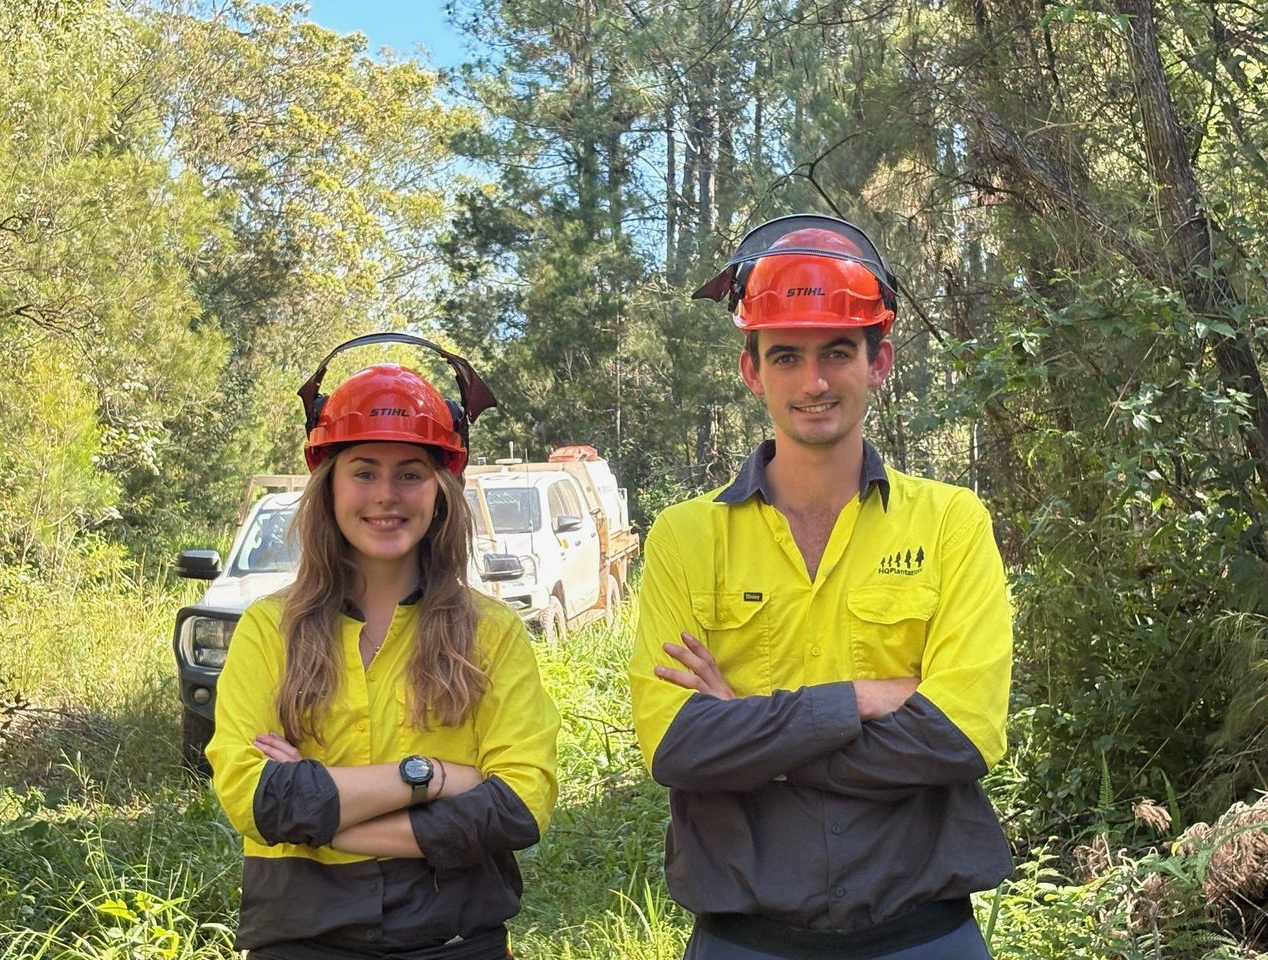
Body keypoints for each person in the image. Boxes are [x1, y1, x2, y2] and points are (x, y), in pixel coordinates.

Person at [629, 215, 1013, 959]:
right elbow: (676, 745)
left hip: (924, 932)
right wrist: (861, 699)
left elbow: (960, 735)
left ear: (880, 360)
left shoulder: (951, 523)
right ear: (752, 371)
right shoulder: (684, 537)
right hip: (746, 938)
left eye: (838, 351)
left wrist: (746, 724)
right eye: (786, 356)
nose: (813, 382)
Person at [208, 335, 560, 960]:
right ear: (329, 486)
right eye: (364, 471)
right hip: (301, 936)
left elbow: (518, 807)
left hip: (454, 935)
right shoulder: (270, 629)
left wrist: (324, 819)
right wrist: (429, 776)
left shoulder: (491, 633)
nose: (385, 495)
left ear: (441, 492)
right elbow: (253, 798)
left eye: (410, 474)